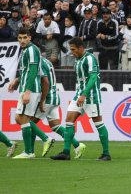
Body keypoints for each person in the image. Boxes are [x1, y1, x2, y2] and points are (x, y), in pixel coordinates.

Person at [51, 37, 110, 161]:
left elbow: (93, 78)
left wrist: (84, 94)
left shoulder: (89, 58)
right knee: (69, 119)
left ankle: (106, 154)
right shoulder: (78, 60)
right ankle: (66, 152)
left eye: (73, 49)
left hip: (91, 96)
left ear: (81, 48)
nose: (71, 52)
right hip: (79, 94)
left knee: (98, 123)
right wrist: (81, 94)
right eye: (70, 49)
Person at [9, 28, 53, 158]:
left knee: (22, 118)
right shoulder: (26, 51)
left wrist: (27, 91)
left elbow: (34, 70)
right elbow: (27, 70)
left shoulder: (32, 50)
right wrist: (17, 80)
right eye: (20, 38)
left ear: (29, 38)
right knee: (20, 118)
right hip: (26, 88)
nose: (22, 40)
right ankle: (44, 139)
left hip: (31, 89)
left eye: (24, 38)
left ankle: (29, 151)